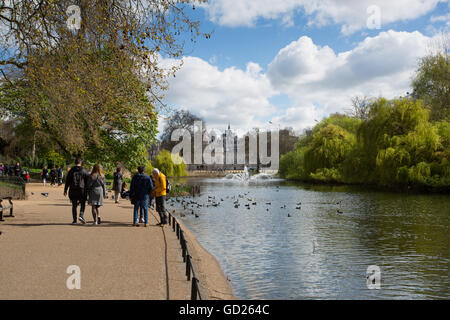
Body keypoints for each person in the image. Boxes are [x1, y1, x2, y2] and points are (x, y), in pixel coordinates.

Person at [64, 158, 89, 225]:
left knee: (74, 205)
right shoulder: (84, 171)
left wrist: (65, 190)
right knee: (83, 203)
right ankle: (81, 215)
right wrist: (88, 191)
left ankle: (74, 220)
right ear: (81, 163)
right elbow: (87, 182)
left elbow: (67, 181)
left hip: (73, 189)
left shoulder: (71, 170)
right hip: (82, 190)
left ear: (75, 163)